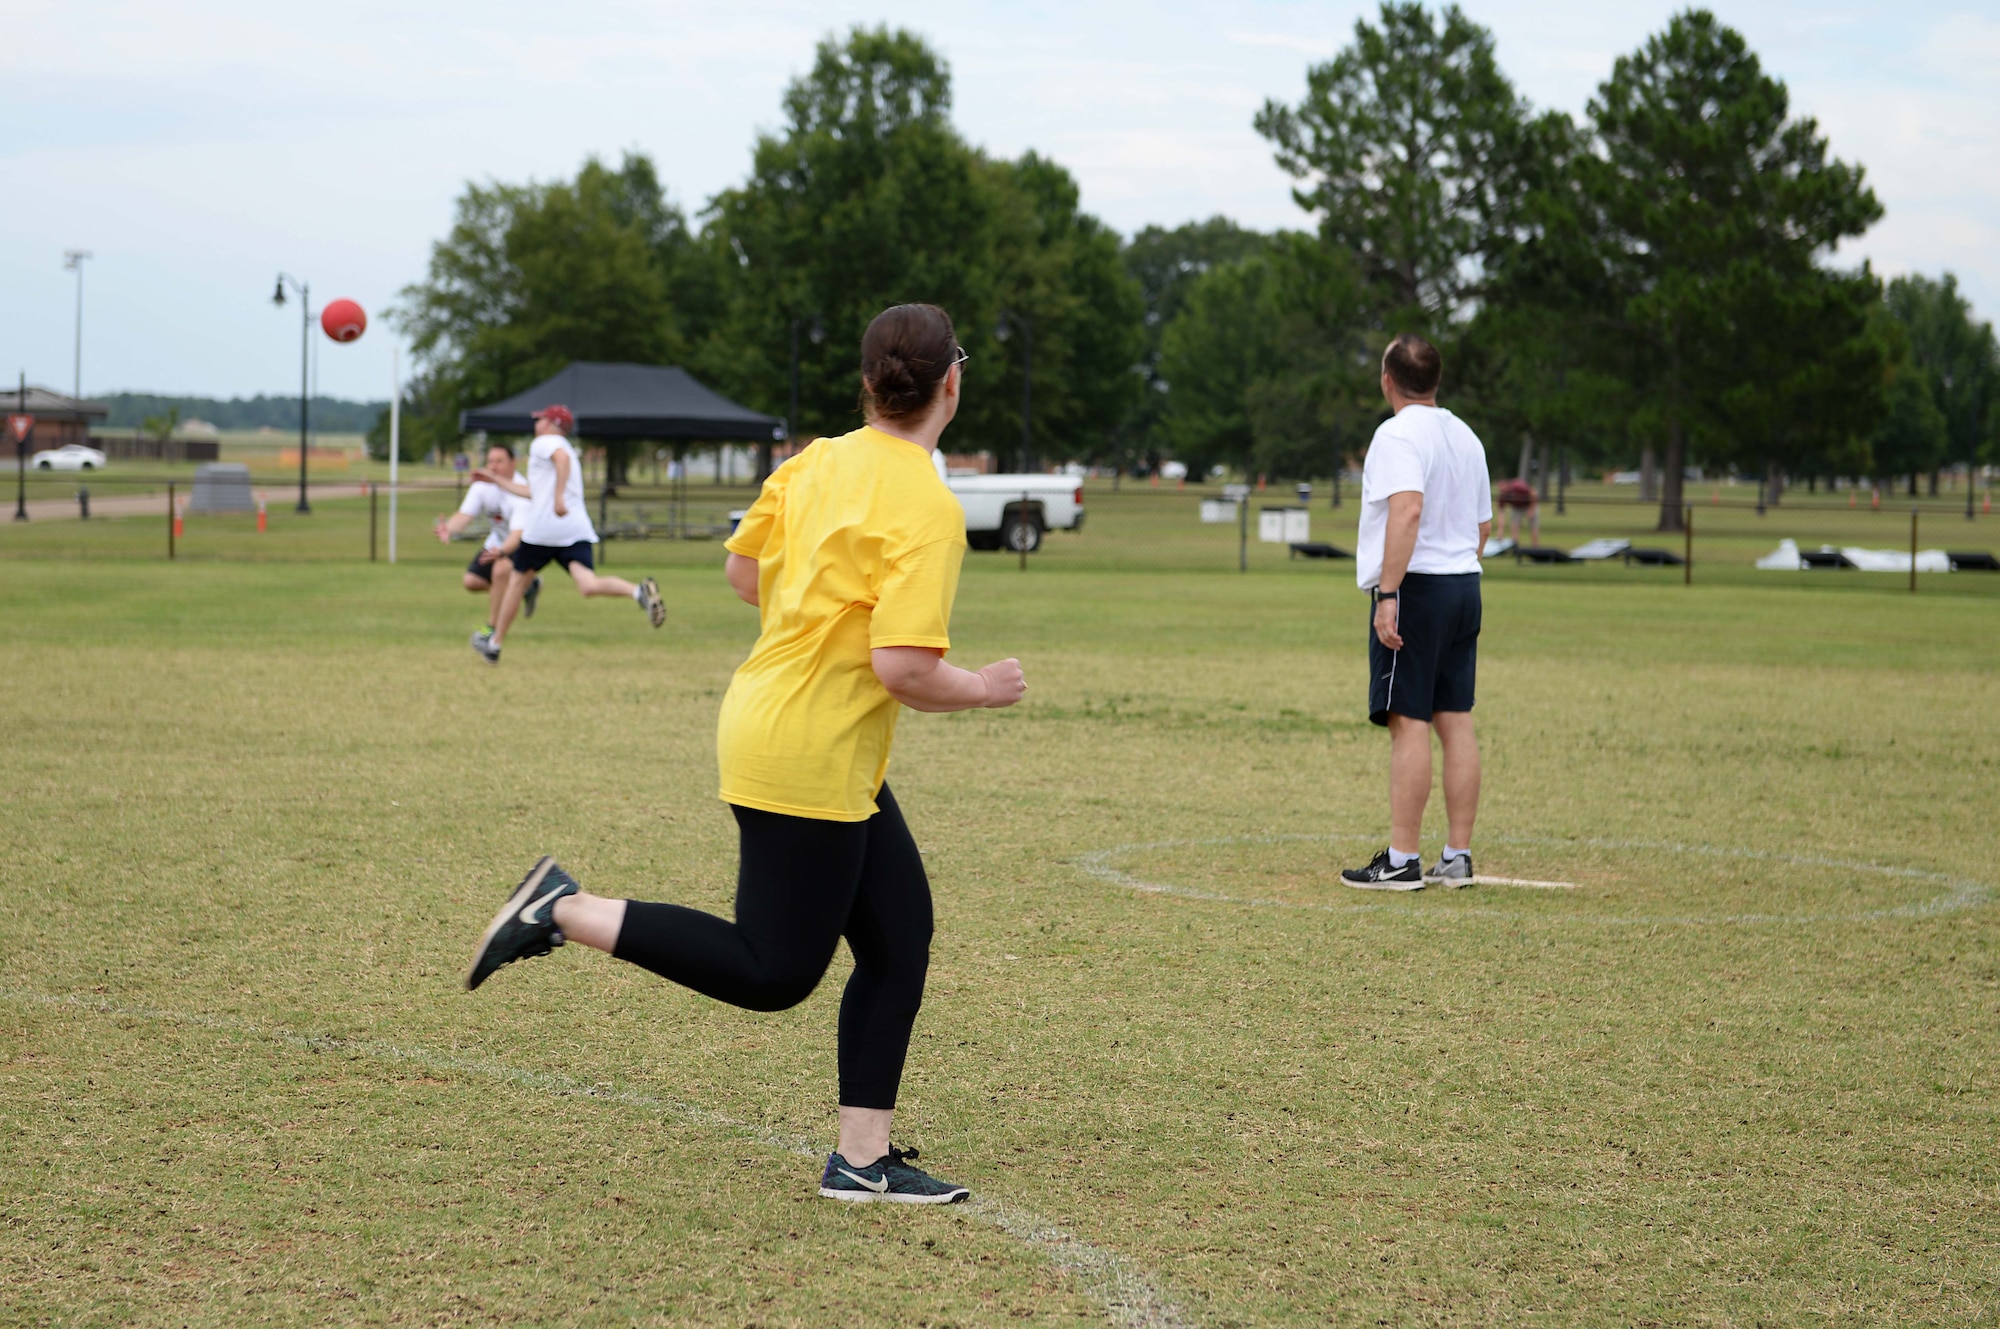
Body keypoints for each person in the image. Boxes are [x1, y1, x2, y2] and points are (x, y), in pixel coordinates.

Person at [464, 304, 1025, 1204]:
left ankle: (862, 1159)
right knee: (774, 971)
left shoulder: (812, 462)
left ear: (870, 382)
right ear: (951, 382)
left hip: (793, 728)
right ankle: (563, 910)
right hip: (809, 747)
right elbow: (905, 668)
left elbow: (741, 573)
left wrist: (814, 622)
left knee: (900, 936)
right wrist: (985, 686)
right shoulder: (926, 501)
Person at [1342, 333, 1492, 891]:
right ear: (1435, 380)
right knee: (1456, 718)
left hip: (1417, 590)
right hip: (1464, 585)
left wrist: (1388, 594)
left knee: (1408, 721)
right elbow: (1482, 526)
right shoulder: (1465, 434)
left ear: (1388, 380)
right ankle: (1457, 856)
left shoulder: (1396, 434)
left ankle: (1402, 858)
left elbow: (1406, 512)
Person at [469, 404, 665, 665]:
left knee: (516, 585)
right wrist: (496, 478)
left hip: (543, 529)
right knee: (587, 584)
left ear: (551, 423)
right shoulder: (567, 448)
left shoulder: (545, 442)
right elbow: (532, 492)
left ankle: (494, 644)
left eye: (541, 418)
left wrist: (558, 497)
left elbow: (559, 459)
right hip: (574, 528)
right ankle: (637, 592)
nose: (536, 422)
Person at [435, 443, 540, 646]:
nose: (493, 466)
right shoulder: (482, 485)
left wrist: (501, 552)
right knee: (471, 582)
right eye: (490, 461)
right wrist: (449, 528)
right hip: (497, 542)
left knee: (501, 570)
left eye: (499, 461)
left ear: (513, 463)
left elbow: (517, 534)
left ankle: (490, 630)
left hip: (523, 543)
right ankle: (525, 587)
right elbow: (465, 516)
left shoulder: (520, 492)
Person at [1494, 476, 1539, 548]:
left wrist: (1531, 509)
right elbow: (1501, 514)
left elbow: (1533, 493)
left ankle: (1535, 546)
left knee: (1533, 525)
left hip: (1528, 504)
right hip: (1516, 508)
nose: (1501, 491)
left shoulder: (1517, 486)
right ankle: (1515, 546)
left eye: (1502, 488)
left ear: (1506, 485)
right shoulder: (1502, 495)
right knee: (1514, 525)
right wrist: (1500, 532)